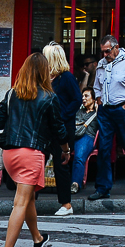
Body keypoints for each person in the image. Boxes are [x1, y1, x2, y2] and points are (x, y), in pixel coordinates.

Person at [0, 51, 71, 247]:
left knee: (28, 199)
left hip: (10, 154)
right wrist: (66, 150)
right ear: (45, 72)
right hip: (31, 153)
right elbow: (59, 129)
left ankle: (37, 238)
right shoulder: (49, 97)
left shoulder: (11, 93)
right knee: (20, 202)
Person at [91, 34, 125, 199]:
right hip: (106, 111)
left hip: (123, 109)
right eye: (103, 51)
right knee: (104, 149)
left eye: (107, 51)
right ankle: (102, 188)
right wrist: (99, 99)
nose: (105, 55)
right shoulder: (101, 64)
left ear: (116, 48)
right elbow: (96, 86)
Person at [45, 43, 82, 216]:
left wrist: (62, 116)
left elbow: (77, 99)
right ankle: (27, 201)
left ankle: (66, 204)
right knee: (37, 162)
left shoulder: (66, 77)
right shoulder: (45, 78)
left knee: (61, 166)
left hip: (63, 127)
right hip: (47, 126)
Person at [71, 88, 100, 193]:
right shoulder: (79, 111)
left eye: (86, 96)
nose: (83, 98)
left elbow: (103, 125)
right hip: (74, 135)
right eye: (82, 96)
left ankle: (75, 183)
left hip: (87, 137)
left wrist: (98, 110)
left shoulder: (97, 114)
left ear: (93, 99)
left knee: (79, 156)